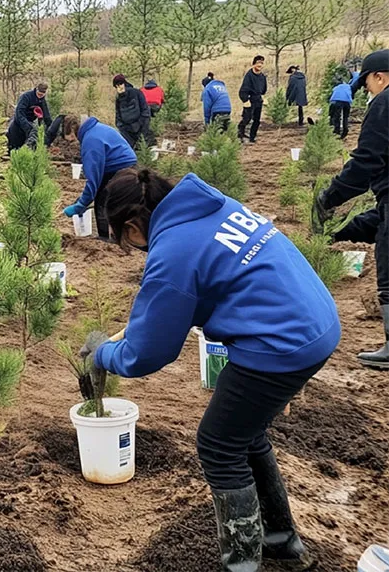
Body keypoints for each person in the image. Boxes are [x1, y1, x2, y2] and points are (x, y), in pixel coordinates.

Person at [81, 168, 339, 572]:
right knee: (244, 434)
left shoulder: (174, 253)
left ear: (132, 225)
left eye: (124, 239)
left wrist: (103, 355)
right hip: (315, 321)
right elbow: (212, 284)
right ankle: (282, 542)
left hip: (279, 343)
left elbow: (148, 354)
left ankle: (242, 565)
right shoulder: (210, 209)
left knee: (218, 445)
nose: (132, 249)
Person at [314, 48, 389, 369]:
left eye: (368, 84)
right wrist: (340, 232)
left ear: (379, 77)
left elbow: (366, 164)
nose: (368, 92)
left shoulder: (385, 103)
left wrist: (328, 198)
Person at [61, 115, 137, 240]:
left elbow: (93, 180)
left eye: (72, 140)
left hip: (121, 169)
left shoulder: (90, 141)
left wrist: (81, 204)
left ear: (74, 131)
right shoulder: (96, 128)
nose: (75, 143)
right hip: (122, 166)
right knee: (105, 198)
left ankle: (106, 240)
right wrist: (83, 199)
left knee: (103, 202)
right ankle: (113, 236)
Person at [7, 83, 51, 151]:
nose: (40, 96)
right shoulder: (26, 97)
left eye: (42, 95)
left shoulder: (42, 100)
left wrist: (50, 128)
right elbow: (19, 113)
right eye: (39, 94)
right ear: (36, 90)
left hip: (30, 121)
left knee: (31, 141)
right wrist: (27, 126)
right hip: (18, 123)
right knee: (14, 147)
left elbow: (46, 116)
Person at [113, 74, 152, 148]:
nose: (119, 87)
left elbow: (145, 111)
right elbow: (118, 116)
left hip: (140, 127)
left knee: (142, 148)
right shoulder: (118, 99)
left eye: (120, 84)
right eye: (116, 86)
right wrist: (122, 127)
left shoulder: (136, 93)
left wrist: (141, 124)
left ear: (124, 83)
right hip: (127, 130)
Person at [238, 55, 267, 144]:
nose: (260, 65)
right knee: (247, 118)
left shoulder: (262, 76)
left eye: (261, 63)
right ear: (254, 64)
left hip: (258, 99)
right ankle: (240, 134)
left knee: (257, 120)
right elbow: (243, 90)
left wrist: (264, 98)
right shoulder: (249, 75)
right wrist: (245, 100)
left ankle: (252, 137)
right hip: (249, 100)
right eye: (258, 63)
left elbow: (263, 90)